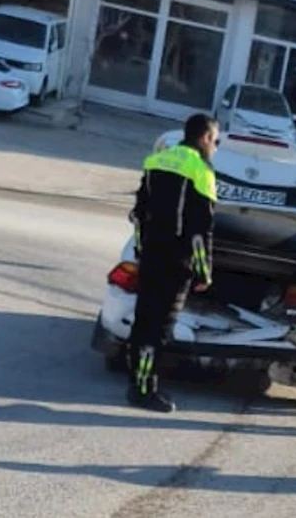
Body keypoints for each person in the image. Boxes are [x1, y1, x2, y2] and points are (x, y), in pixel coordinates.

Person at [127, 114, 220, 413]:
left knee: (143, 322)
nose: (215, 147)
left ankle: (137, 383)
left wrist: (141, 251)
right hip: (175, 264)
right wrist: (204, 272)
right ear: (205, 138)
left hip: (151, 257)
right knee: (159, 330)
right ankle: (145, 390)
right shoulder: (201, 170)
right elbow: (200, 231)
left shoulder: (156, 160)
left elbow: (138, 215)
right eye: (215, 141)